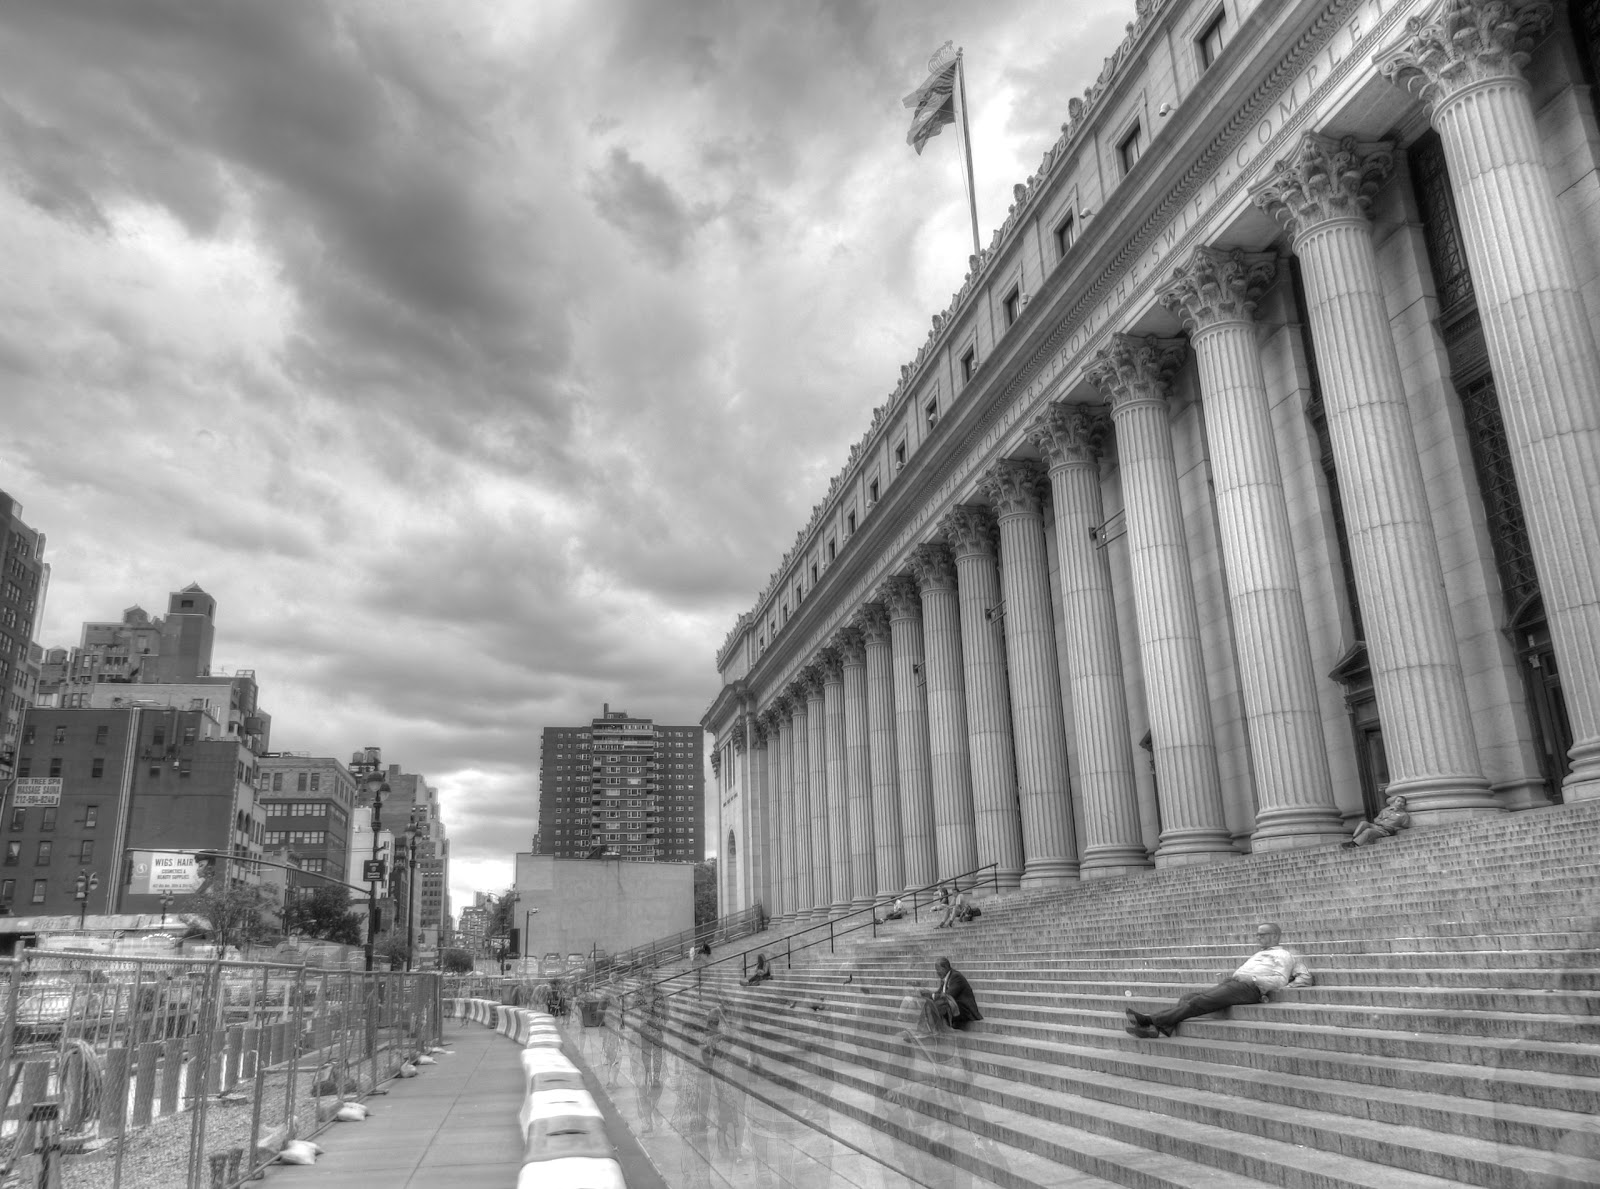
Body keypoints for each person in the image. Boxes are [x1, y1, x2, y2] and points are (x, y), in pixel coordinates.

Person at [1124, 922, 1312, 1039]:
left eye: (1262, 934)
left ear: (1275, 936)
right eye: (1257, 934)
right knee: (1188, 997)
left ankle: (1149, 1020)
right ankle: (1161, 1028)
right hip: (1233, 984)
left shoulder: (1283, 954)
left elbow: (1280, 980)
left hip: (1248, 988)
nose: (1258, 937)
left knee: (1199, 1002)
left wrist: (1252, 978)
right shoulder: (1261, 953)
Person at [930, 957, 983, 1030]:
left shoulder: (956, 976)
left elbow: (948, 995)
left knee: (942, 1004)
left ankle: (941, 1027)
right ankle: (931, 1028)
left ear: (945, 968)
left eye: (938, 970)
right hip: (956, 1007)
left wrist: (933, 996)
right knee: (931, 1003)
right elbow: (939, 992)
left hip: (966, 1010)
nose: (937, 972)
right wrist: (929, 995)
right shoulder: (945, 977)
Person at [1342, 794, 1411, 848]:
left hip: (1385, 831)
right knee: (1363, 823)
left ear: (1404, 805)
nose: (1399, 803)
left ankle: (1354, 844)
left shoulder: (1404, 815)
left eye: (1402, 802)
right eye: (1398, 801)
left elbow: (1404, 827)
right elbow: (1376, 819)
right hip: (1376, 826)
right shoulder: (1385, 810)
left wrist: (1393, 828)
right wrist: (1379, 824)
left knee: (1368, 831)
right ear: (1394, 802)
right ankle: (1353, 838)